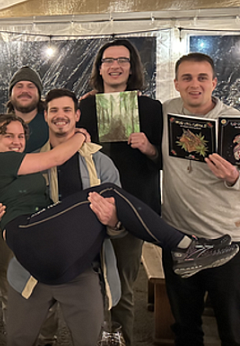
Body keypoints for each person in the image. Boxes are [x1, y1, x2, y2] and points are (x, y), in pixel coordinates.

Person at [0, 90, 239, 345]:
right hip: (34, 260)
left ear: (77, 115)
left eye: (66, 110)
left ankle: (187, 247)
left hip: (80, 261)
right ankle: (186, 246)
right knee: (27, 338)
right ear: (45, 116)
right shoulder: (30, 162)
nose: (15, 141)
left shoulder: (99, 162)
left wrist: (113, 221)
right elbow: (50, 163)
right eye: (54, 110)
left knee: (92, 336)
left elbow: (119, 222)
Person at [161, 53, 240, 346]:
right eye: (187, 78)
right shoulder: (165, 112)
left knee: (234, 332)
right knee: (185, 329)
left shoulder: (239, 123)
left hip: (228, 239)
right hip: (180, 238)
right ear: (176, 83)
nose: (194, 84)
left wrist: (236, 178)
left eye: (201, 78)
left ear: (214, 82)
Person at [77, 39, 163, 345]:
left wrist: (149, 147)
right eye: (108, 60)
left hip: (132, 208)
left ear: (132, 68)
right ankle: (91, 338)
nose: (115, 66)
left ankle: (121, 339)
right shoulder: (82, 107)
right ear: (99, 68)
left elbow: (164, 162)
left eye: (122, 61)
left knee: (124, 285)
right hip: (87, 206)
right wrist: (77, 140)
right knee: (87, 283)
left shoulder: (151, 109)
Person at [0, 66, 58, 345]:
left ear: (39, 93)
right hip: (8, 218)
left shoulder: (52, 121)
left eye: (30, 86)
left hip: (47, 218)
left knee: (46, 286)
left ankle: (46, 339)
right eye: (18, 86)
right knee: (10, 284)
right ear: (11, 94)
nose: (24, 90)